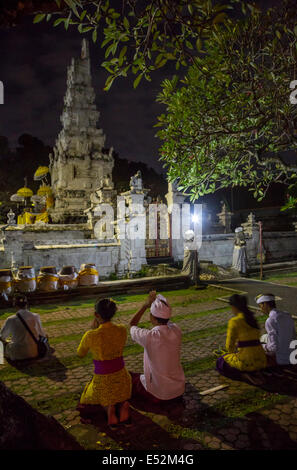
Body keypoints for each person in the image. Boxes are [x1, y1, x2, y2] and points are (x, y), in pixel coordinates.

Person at [77, 298, 132, 428]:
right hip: (123, 379)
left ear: (96, 315)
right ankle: (123, 405)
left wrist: (93, 330)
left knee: (86, 399)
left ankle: (110, 410)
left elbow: (80, 353)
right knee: (118, 392)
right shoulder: (122, 330)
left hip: (103, 381)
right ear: (113, 313)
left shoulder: (91, 335)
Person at [129, 291, 185, 403]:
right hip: (179, 390)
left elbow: (132, 324)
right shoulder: (176, 330)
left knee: (129, 378)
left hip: (160, 393)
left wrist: (145, 305)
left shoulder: (149, 337)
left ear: (152, 317)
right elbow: (165, 320)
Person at [216, 294, 267, 384]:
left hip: (247, 362)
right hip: (261, 360)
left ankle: (244, 374)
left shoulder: (234, 321)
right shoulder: (252, 319)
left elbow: (229, 346)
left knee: (221, 361)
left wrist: (230, 353)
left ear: (234, 307)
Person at [0, 295, 47, 361]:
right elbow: (42, 334)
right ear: (26, 305)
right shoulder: (35, 316)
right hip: (35, 351)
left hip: (17, 354)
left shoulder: (11, 319)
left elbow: (2, 336)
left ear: (15, 305)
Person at [256, 293, 297, 366]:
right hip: (293, 352)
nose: (261, 309)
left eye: (260, 306)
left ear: (265, 304)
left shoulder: (270, 320)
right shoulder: (287, 315)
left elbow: (273, 348)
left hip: (282, 359)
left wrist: (261, 346)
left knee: (260, 344)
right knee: (265, 337)